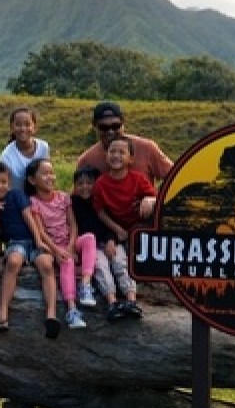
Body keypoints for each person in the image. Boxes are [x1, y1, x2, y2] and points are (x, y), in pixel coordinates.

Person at [23, 159, 92, 338]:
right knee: (67, 261)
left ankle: (85, 284)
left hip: (69, 242)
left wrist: (70, 246)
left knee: (89, 238)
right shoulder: (33, 202)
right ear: (32, 180)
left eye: (51, 173)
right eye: (44, 174)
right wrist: (57, 250)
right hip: (53, 246)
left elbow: (73, 224)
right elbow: (41, 231)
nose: (50, 177)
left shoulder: (63, 197)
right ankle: (71, 309)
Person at [92, 137, 156, 322]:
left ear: (131, 159)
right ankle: (112, 303)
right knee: (117, 261)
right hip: (114, 232)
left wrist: (148, 200)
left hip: (138, 231)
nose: (116, 156)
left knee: (129, 263)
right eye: (112, 152)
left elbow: (153, 196)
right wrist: (116, 231)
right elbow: (100, 212)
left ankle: (131, 301)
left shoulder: (137, 179)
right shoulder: (101, 183)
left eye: (122, 152)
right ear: (106, 156)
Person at [77, 101, 173, 186]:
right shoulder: (86, 160)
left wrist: (157, 200)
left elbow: (175, 177)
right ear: (95, 126)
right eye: (104, 127)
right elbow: (78, 195)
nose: (110, 132)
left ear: (123, 123)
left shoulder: (147, 148)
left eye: (115, 126)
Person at [0, 161, 28, 331]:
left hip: (33, 241)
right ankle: (2, 314)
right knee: (13, 262)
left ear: (9, 183)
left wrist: (39, 241)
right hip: (15, 244)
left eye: (3, 182)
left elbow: (30, 220)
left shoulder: (16, 195)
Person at [71, 166, 112, 309]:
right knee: (100, 264)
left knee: (119, 262)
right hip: (82, 245)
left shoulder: (102, 201)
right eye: (80, 184)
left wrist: (110, 239)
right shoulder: (72, 202)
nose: (84, 187)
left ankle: (130, 299)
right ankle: (110, 301)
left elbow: (109, 224)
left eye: (89, 183)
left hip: (103, 242)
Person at [0, 107, 50, 192]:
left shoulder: (43, 147)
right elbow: (6, 186)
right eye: (18, 125)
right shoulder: (6, 156)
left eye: (27, 124)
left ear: (34, 127)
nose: (23, 129)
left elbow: (48, 174)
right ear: (12, 128)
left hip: (41, 196)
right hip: (18, 199)